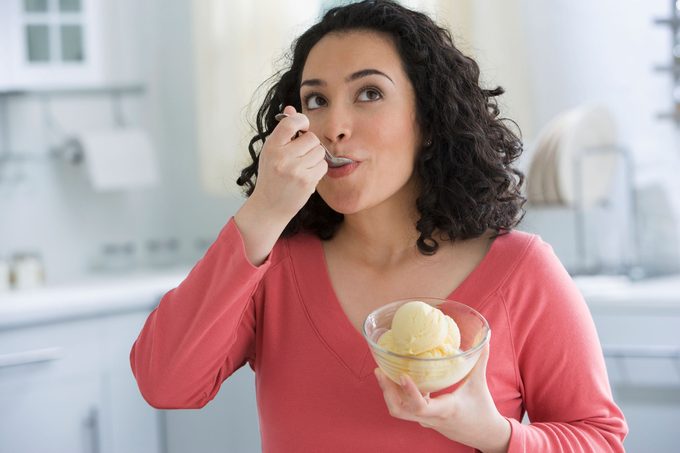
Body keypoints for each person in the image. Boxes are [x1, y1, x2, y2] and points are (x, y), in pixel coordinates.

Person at [130, 1, 627, 451]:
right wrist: (264, 211)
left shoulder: (522, 271)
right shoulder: (276, 266)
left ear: (428, 120)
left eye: (369, 93)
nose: (333, 126)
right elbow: (165, 383)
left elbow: (600, 440)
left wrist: (493, 434)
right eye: (316, 100)